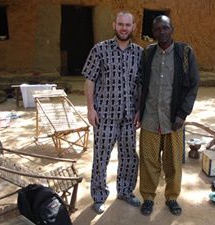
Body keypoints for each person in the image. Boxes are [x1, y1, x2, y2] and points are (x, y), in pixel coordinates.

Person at [82, 11, 143, 214]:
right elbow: (89, 79)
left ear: (133, 26)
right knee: (101, 157)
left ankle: (125, 191)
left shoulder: (139, 53)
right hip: (104, 116)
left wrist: (139, 110)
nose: (124, 28)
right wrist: (90, 109)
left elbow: (141, 84)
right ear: (114, 25)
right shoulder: (100, 49)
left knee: (128, 156)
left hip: (129, 117)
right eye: (120, 24)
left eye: (128, 24)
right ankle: (99, 196)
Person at [138, 15, 200, 216]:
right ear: (153, 32)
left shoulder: (185, 53)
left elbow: (193, 85)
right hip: (149, 118)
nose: (161, 32)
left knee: (173, 163)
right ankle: (148, 197)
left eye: (165, 28)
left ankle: (172, 197)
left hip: (174, 120)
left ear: (172, 29)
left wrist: (183, 114)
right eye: (157, 29)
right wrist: (138, 110)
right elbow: (141, 85)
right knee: (148, 161)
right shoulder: (148, 54)